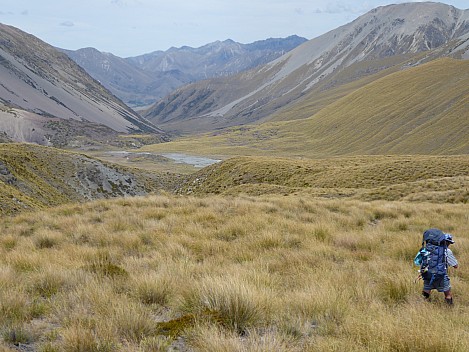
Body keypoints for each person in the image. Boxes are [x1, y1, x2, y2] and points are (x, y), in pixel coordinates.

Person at [421, 233, 458, 305]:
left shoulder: (429, 249)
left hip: (428, 274)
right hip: (441, 275)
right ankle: (449, 311)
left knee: (425, 293)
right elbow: (455, 266)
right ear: (447, 242)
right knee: (448, 294)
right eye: (449, 243)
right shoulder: (447, 251)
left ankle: (422, 307)